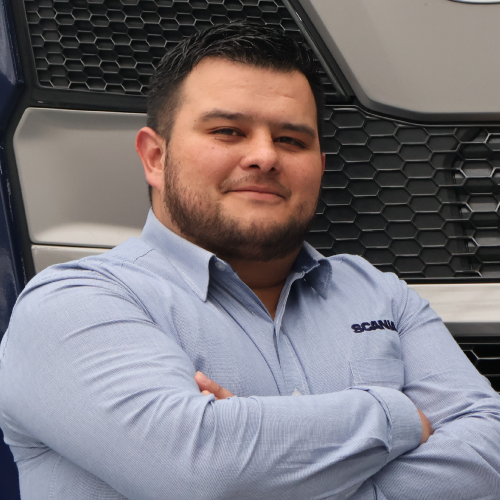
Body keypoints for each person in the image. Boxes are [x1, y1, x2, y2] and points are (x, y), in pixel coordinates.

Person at [0, 22, 499, 500]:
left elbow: (491, 452)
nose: (265, 156)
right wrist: (397, 415)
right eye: (228, 131)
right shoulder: (71, 306)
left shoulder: (380, 293)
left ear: (320, 167)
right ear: (154, 157)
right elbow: (200, 472)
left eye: (291, 140)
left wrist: (256, 458)